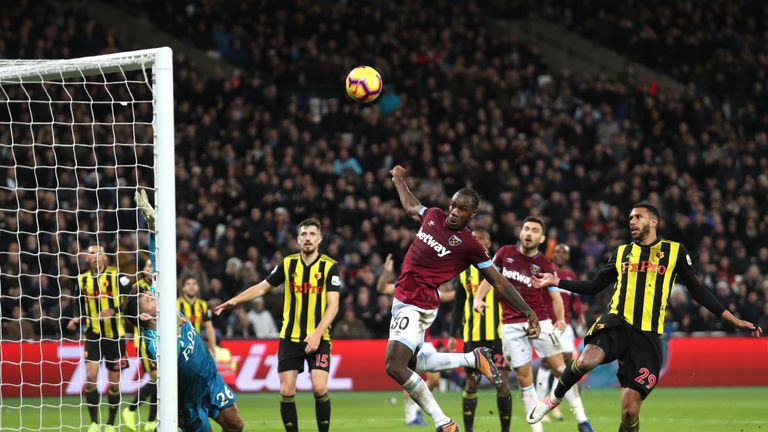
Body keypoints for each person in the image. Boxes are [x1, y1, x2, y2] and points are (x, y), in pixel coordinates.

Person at [527, 202, 763, 432]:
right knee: (588, 359)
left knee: (630, 413)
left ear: (653, 221)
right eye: (630, 218)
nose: (632, 221)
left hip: (647, 335)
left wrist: (734, 320)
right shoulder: (622, 252)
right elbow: (593, 286)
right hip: (616, 322)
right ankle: (553, 399)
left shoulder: (674, 251)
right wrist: (555, 281)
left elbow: (698, 291)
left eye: (637, 217)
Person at [385, 165, 540, 432]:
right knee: (412, 363)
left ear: (473, 214)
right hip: (402, 299)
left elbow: (499, 282)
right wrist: (399, 180)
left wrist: (528, 311)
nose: (454, 212)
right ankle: (471, 359)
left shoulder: (470, 245)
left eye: (461, 209)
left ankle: (443, 422)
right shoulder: (433, 216)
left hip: (418, 302)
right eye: (453, 205)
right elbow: (412, 207)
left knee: (394, 365)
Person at [122, 190, 244, 432]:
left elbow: (158, 260)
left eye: (148, 293)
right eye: (146, 298)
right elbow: (167, 360)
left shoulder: (163, 299)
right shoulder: (150, 342)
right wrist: (175, 336)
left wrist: (152, 225)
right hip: (188, 400)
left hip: (210, 378)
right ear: (144, 316)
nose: (150, 294)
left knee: (236, 425)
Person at [214, 218, 341, 432]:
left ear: (320, 238)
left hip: (320, 338)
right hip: (290, 337)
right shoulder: (288, 264)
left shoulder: (330, 267)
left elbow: (333, 305)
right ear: (298, 239)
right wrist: (235, 300)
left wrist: (317, 334)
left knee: (319, 389)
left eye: (312, 234)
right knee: (286, 391)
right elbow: (263, 287)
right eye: (304, 234)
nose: (308, 238)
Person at [473, 217, 593, 432]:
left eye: (535, 230)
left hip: (540, 321)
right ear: (521, 232)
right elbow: (489, 279)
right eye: (526, 229)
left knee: (560, 369)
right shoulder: (504, 253)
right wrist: (478, 298)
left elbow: (555, 297)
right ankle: (537, 430)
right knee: (523, 379)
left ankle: (582, 420)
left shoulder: (545, 265)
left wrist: (561, 318)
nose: (529, 233)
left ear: (542, 238)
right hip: (510, 324)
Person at [447, 230, 512, 432]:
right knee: (472, 383)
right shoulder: (464, 272)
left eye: (482, 239)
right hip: (472, 338)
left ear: (489, 244)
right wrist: (452, 335)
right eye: (475, 239)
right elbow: (458, 304)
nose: (478, 243)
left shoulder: (499, 269)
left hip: (498, 337)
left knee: (502, 383)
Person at [67, 242, 132, 432]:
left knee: (113, 383)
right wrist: (76, 318)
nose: (95, 256)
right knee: (91, 376)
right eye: (91, 254)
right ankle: (94, 423)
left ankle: (111, 424)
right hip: (93, 334)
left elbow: (131, 299)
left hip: (115, 335)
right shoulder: (81, 280)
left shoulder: (118, 276)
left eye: (98, 253)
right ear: (87, 258)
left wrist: (114, 310)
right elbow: (77, 303)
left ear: (105, 257)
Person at [377, 253, 444, 427]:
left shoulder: (430, 286)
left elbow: (449, 296)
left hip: (426, 340)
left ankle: (417, 406)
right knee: (409, 376)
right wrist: (386, 272)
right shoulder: (403, 287)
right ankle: (411, 415)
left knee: (435, 380)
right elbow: (381, 287)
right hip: (407, 338)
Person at [535, 244, 586, 422]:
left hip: (566, 325)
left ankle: (552, 402)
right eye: (557, 251)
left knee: (565, 364)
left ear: (568, 257)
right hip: (548, 323)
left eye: (563, 252)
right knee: (546, 362)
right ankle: (538, 403)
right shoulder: (545, 271)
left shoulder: (570, 275)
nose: (559, 255)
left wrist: (580, 316)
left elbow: (575, 299)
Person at [122, 256, 158, 432]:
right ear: (143, 269)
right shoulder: (138, 290)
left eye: (153, 266)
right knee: (157, 377)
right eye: (148, 266)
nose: (151, 269)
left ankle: (151, 421)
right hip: (144, 340)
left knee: (159, 379)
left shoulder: (160, 285)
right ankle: (130, 410)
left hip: (161, 337)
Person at [177, 275, 217, 356]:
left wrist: (213, 347)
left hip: (197, 345)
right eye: (188, 284)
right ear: (183, 288)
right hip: (180, 346)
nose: (191, 287)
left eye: (194, 284)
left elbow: (209, 327)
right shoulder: (177, 304)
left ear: (198, 287)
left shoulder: (203, 305)